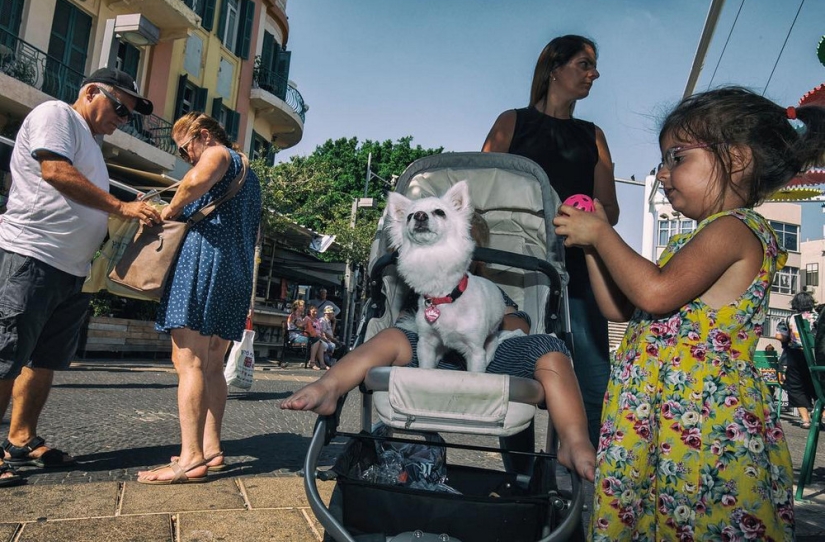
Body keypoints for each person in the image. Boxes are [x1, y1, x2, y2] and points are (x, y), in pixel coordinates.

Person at [554, 86, 825, 539]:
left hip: (703, 424)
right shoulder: (693, 240)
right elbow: (620, 305)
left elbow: (656, 293)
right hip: (664, 418)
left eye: (676, 157)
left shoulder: (735, 231)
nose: (662, 174)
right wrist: (591, 248)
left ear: (736, 158)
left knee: (697, 521)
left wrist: (603, 237)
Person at [282, 214, 596, 482]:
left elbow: (517, 322)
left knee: (550, 348)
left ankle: (573, 438)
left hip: (491, 356)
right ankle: (329, 387)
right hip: (427, 354)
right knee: (391, 337)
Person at [0, 68, 160, 487]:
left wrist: (126, 203)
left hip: (72, 269)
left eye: (130, 116)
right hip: (31, 254)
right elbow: (55, 172)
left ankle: (20, 439)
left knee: (45, 360)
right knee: (5, 355)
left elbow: (85, 193)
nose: (123, 119)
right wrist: (121, 207)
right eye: (119, 108)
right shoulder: (58, 115)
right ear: (91, 91)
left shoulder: (91, 142)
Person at [482, 35, 619, 446]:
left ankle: (587, 490)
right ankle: (521, 487)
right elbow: (482, 199)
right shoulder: (512, 122)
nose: (594, 73)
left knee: (594, 384)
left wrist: (587, 218)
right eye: (584, 64)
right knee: (515, 376)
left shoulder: (593, 135)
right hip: (516, 269)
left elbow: (610, 210)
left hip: (578, 270)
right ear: (554, 68)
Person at [137, 112, 261, 484]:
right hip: (234, 270)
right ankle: (210, 449)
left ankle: (190, 458)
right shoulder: (248, 173)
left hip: (203, 263)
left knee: (188, 359)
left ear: (203, 136)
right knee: (210, 363)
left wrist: (167, 211)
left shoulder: (219, 154)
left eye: (185, 147)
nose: (186, 156)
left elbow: (194, 180)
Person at [776, 292, 818, 429]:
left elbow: (779, 336)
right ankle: (823, 414)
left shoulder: (789, 319)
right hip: (816, 357)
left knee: (796, 387)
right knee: (819, 385)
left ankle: (805, 419)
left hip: (795, 356)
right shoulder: (818, 317)